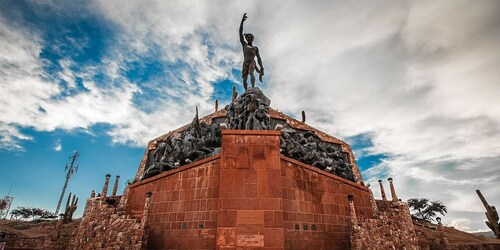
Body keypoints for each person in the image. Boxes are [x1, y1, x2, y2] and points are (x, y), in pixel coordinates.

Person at [239, 13, 264, 90]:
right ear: (246, 39)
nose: (249, 38)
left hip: (252, 62)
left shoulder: (255, 48)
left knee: (251, 73)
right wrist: (242, 22)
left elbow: (259, 58)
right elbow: (240, 33)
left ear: (253, 39)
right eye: (248, 37)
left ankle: (253, 88)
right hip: (245, 62)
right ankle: (246, 91)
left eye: (251, 37)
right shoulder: (244, 45)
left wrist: (261, 67)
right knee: (244, 79)